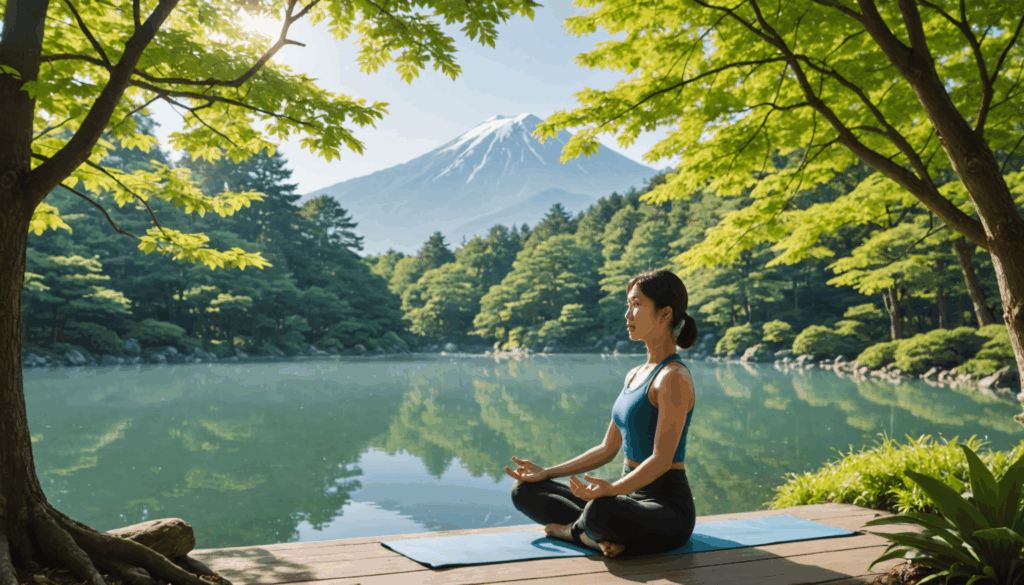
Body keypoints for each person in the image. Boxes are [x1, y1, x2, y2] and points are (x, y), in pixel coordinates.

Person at [505, 269, 699, 559]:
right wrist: (547, 472)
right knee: (525, 491)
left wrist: (613, 490)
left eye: (636, 304)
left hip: (665, 509)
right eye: (627, 304)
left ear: (664, 314)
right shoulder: (635, 374)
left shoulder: (673, 377)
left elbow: (661, 460)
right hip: (625, 500)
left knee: (602, 509)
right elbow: (607, 448)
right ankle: (599, 538)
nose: (627, 314)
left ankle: (575, 532)